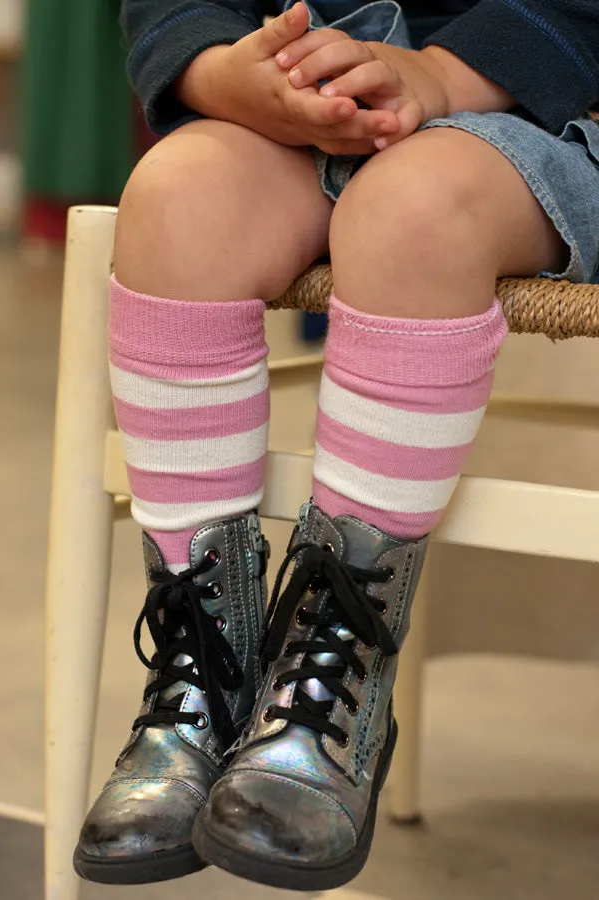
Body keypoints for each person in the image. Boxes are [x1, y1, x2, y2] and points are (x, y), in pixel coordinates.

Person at [74, 0, 599, 889]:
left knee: (411, 211)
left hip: (535, 120)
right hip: (292, 117)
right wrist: (219, 71)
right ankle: (208, 670)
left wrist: (436, 76)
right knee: (173, 199)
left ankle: (333, 671)